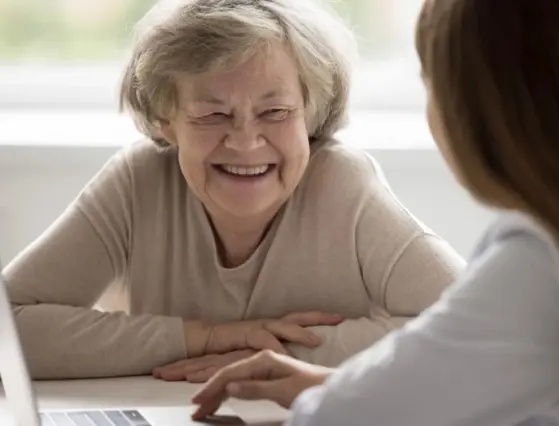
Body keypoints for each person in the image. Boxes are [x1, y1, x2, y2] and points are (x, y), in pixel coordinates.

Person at [1, 0, 463, 381]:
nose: (245, 141)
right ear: (168, 124)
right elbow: (7, 328)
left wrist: (279, 355)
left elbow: (472, 325)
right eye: (212, 115)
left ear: (311, 114)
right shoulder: (137, 182)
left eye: (276, 111)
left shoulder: (342, 184)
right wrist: (207, 337)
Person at [190, 0, 559, 425]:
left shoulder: (541, 260)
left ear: (468, 106)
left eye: (430, 85)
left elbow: (340, 418)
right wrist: (332, 385)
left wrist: (335, 393)